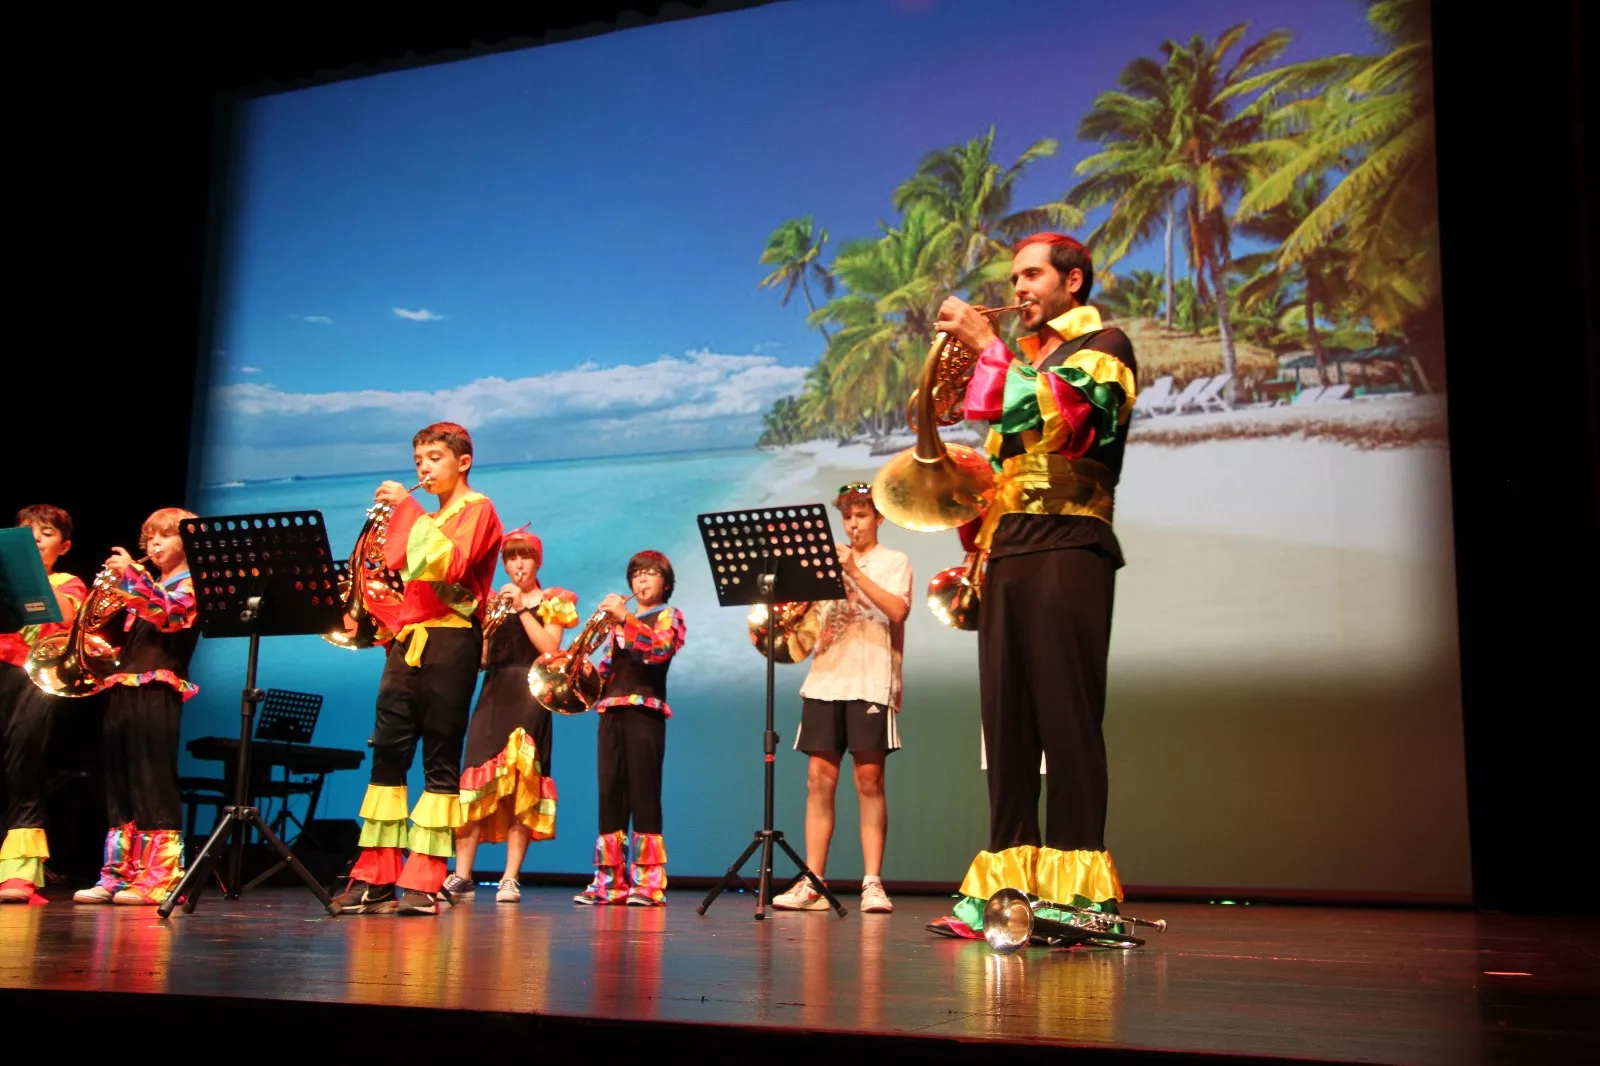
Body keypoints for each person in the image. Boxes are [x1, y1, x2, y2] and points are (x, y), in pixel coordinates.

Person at [923, 233, 1138, 939]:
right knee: (1007, 728)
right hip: (1009, 550)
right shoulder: (1028, 352)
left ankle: (1080, 899)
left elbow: (1055, 420)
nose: (1018, 288)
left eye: (1033, 275)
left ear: (1072, 282)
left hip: (1070, 543)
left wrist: (988, 345)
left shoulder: (1103, 344)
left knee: (1067, 721)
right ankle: (1007, 896)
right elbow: (996, 456)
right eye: (1014, 276)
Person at [334, 421, 504, 916]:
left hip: (452, 640)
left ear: (462, 462)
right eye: (419, 461)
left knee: (440, 759)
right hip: (406, 641)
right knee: (387, 755)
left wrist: (404, 510)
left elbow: (449, 566)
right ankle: (377, 879)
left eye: (434, 458)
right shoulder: (429, 516)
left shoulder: (479, 509)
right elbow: (400, 579)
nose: (424, 468)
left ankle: (425, 880)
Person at [772, 483, 911, 915]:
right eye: (848, 517)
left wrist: (853, 571)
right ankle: (813, 881)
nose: (853, 524)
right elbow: (805, 624)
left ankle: (872, 882)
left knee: (869, 781)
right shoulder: (825, 564)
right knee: (818, 782)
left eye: (862, 515)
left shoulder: (893, 561)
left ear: (878, 518)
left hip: (870, 680)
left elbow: (897, 610)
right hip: (824, 680)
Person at [74, 507, 202, 906]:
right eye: (150, 538)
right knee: (120, 785)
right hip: (122, 687)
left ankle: (161, 877)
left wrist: (133, 576)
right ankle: (117, 873)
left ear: (187, 543)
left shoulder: (190, 584)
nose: (155, 544)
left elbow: (171, 615)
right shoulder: (142, 586)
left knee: (152, 782)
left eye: (165, 536)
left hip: (157, 688)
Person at [446, 527, 577, 905]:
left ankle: (509, 877)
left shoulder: (552, 601)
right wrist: (482, 633)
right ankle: (462, 874)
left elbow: (550, 649)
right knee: (473, 782)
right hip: (493, 692)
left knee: (524, 784)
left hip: (532, 693)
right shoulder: (492, 600)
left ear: (538, 561)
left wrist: (521, 608)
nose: (518, 564)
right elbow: (482, 658)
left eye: (525, 557)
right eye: (511, 558)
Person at [573, 550, 685, 906]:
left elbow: (661, 649)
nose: (642, 580)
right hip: (611, 711)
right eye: (637, 574)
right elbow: (607, 670)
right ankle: (609, 882)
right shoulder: (618, 625)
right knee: (610, 796)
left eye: (651, 574)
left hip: (645, 712)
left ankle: (649, 884)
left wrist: (626, 621)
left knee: (644, 794)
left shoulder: (669, 615)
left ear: (665, 583)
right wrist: (575, 668)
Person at [0, 505, 88, 904]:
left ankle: (19, 873)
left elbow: (67, 614)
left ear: (64, 545)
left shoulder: (69, 581)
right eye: (27, 533)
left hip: (34, 678)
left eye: (46, 533)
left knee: (23, 766)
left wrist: (29, 572)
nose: (35, 539)